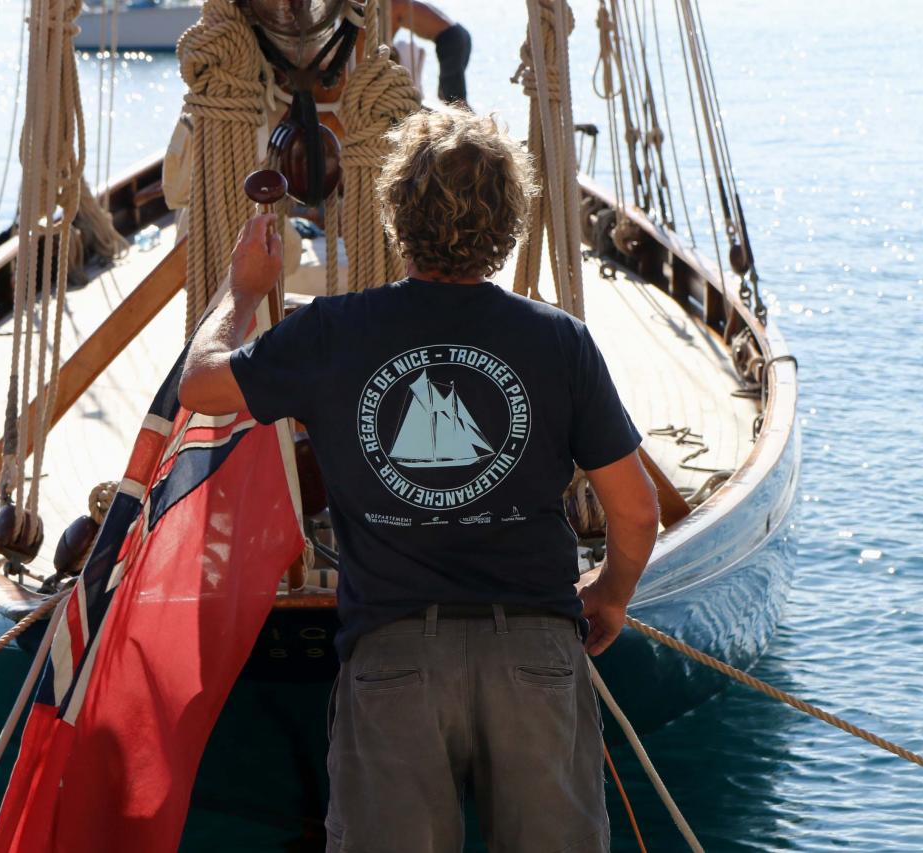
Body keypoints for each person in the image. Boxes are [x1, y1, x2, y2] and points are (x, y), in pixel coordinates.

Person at [178, 107, 659, 852]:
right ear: (509, 223)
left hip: (394, 658)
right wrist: (612, 595)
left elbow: (201, 386)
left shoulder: (331, 333)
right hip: (535, 653)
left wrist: (242, 293)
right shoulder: (560, 342)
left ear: (396, 214)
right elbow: (633, 511)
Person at [390, 0, 472, 107]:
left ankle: (474, 123)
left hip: (450, 39)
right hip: (459, 33)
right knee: (445, 95)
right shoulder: (404, 4)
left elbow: (385, 44)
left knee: (454, 99)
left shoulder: (393, 5)